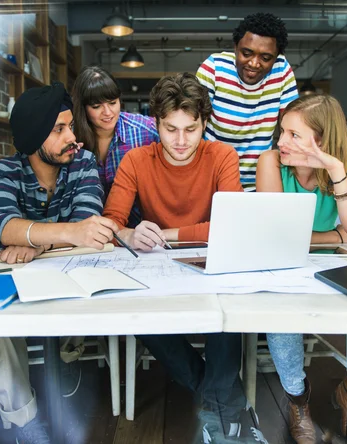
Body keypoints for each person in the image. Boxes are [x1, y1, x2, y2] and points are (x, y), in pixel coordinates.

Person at [103, 73, 267, 443]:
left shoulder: (222, 155)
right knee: (139, 314)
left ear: (204, 123)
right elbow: (110, 223)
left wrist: (168, 234)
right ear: (155, 122)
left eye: (191, 129)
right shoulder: (136, 160)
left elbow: (232, 224)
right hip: (157, 267)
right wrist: (128, 233)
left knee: (227, 309)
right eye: (170, 128)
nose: (180, 141)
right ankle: (227, 407)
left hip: (212, 262)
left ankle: (217, 412)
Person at [0, 82, 118, 444]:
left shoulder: (83, 162)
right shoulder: (2, 172)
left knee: (89, 279)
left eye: (71, 126)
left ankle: (69, 365)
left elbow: (89, 226)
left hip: (68, 276)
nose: (72, 137)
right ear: (33, 137)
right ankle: (24, 420)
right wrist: (61, 234)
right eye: (59, 130)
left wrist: (32, 242)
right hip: (16, 282)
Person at [256, 94, 347, 442]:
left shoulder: (344, 175)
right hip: (284, 266)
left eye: (294, 135)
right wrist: (332, 235)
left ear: (322, 141)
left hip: (330, 266)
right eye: (282, 131)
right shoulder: (270, 163)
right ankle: (297, 401)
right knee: (281, 315)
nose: (281, 141)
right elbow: (279, 233)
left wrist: (334, 170)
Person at [196, 12, 298, 191]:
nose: (254, 63)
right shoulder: (213, 68)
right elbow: (194, 125)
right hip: (212, 179)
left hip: (260, 181)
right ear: (235, 47)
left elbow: (293, 125)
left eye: (266, 58)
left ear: (276, 57)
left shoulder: (282, 70)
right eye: (246, 53)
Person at [71, 65, 160, 227]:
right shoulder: (70, 138)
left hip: (140, 231)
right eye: (96, 106)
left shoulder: (146, 130)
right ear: (82, 108)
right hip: (86, 232)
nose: (107, 112)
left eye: (112, 103)